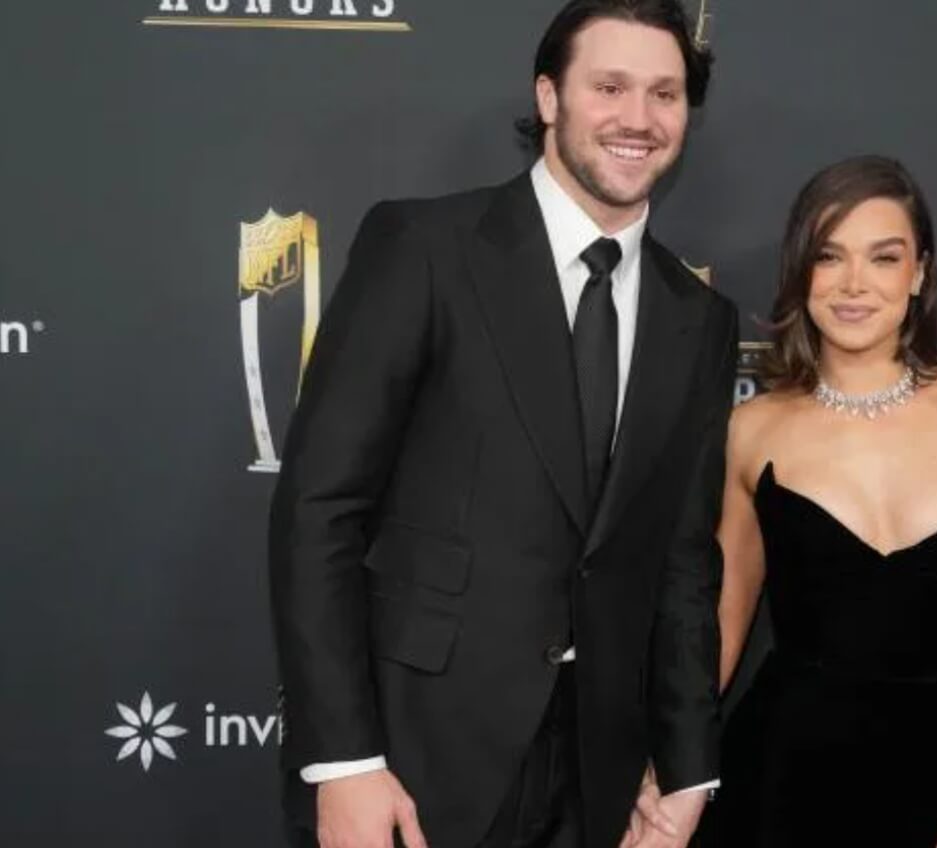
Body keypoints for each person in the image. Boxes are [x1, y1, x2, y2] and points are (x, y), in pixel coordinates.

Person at [268, 3, 736, 847]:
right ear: (549, 97)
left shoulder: (697, 317)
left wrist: (686, 770)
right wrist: (343, 761)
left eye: (664, 94)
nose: (638, 118)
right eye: (610, 87)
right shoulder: (424, 247)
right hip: (415, 755)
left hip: (600, 776)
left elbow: (683, 564)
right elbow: (319, 509)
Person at [702, 155, 937, 847]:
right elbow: (720, 629)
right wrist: (665, 777)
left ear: (919, 274)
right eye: (829, 256)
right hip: (778, 779)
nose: (854, 283)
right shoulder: (753, 428)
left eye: (884, 258)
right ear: (802, 272)